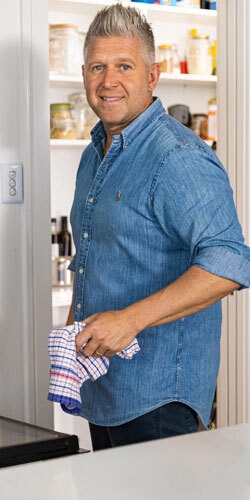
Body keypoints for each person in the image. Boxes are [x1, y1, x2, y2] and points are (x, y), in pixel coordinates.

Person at [67, 3, 250, 450]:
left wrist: (129, 321)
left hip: (158, 396)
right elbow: (99, 253)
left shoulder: (177, 157)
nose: (108, 81)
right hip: (104, 387)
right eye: (97, 66)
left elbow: (229, 262)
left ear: (152, 76)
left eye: (124, 66)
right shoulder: (96, 154)